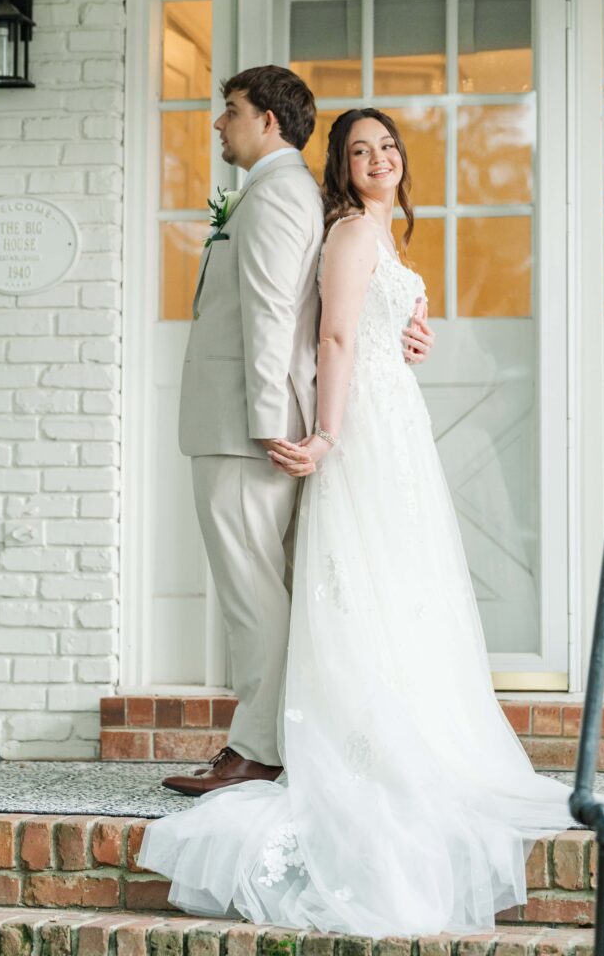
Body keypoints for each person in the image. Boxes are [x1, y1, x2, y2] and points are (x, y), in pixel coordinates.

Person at [140, 108, 570, 937]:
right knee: (358, 581)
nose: (377, 159)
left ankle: (411, 730)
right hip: (361, 425)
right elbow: (332, 336)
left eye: (387, 147)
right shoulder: (344, 231)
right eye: (359, 150)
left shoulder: (380, 233)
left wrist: (409, 331)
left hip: (394, 420)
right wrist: (328, 433)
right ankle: (349, 744)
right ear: (340, 165)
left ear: (402, 161)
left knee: (404, 582)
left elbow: (369, 324)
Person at [164, 68, 439, 798]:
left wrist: (266, 427)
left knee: (251, 591)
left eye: (230, 112)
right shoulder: (288, 196)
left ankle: (257, 749)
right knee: (274, 589)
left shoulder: (281, 195)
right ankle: (282, 738)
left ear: (268, 122)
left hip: (245, 427)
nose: (220, 125)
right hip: (258, 422)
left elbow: (272, 317)